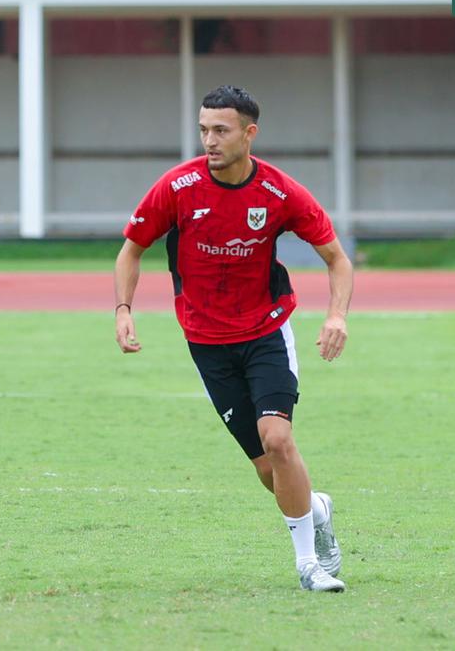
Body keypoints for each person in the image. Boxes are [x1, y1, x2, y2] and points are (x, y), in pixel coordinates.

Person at [114, 85, 354, 592]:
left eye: (221, 130)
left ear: (249, 134)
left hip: (266, 332)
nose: (210, 141)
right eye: (203, 130)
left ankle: (309, 565)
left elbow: (337, 258)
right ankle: (317, 508)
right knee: (271, 473)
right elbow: (131, 250)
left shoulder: (280, 192)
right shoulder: (177, 188)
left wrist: (337, 316)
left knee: (279, 439)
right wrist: (123, 310)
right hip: (206, 343)